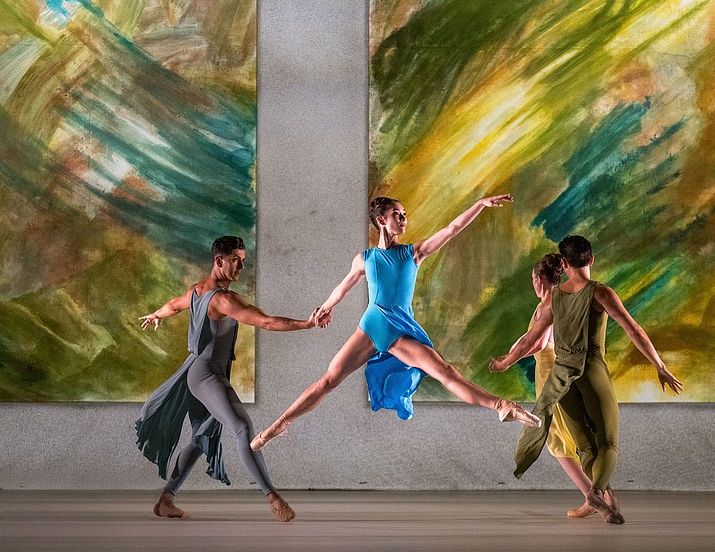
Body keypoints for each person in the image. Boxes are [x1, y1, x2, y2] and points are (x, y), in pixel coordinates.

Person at [250, 195, 541, 451]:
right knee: (327, 381)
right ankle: (279, 424)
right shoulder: (365, 258)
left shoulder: (413, 252)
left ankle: (502, 406)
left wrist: (479, 204)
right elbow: (343, 286)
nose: (403, 219)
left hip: (398, 328)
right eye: (397, 214)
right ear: (381, 220)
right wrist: (325, 308)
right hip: (372, 324)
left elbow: (451, 230)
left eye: (404, 215)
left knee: (445, 372)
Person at [489, 235, 683, 524]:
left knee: (585, 448)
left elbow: (531, 339)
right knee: (608, 443)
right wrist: (660, 366)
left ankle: (605, 500)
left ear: (564, 263)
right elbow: (634, 330)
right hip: (591, 370)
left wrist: (505, 362)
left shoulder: (553, 298)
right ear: (591, 259)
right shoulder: (600, 293)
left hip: (561, 379)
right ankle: (596, 492)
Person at [135, 236, 328, 522]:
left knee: (201, 439)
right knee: (242, 427)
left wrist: (156, 314)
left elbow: (173, 305)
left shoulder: (197, 290)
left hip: (197, 372)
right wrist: (307, 323)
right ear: (219, 260)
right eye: (236, 260)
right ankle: (273, 499)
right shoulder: (224, 300)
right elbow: (266, 322)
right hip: (206, 375)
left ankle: (166, 500)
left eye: (243, 260)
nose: (241, 266)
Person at [496, 253, 596, 519]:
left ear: (539, 279)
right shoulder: (558, 302)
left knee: (557, 440)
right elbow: (532, 336)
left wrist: (508, 360)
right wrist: (515, 349)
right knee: (571, 437)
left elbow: (539, 343)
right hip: (559, 374)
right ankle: (599, 496)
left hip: (551, 375)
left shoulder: (547, 306)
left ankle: (595, 496)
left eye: (532, 278)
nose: (532, 282)